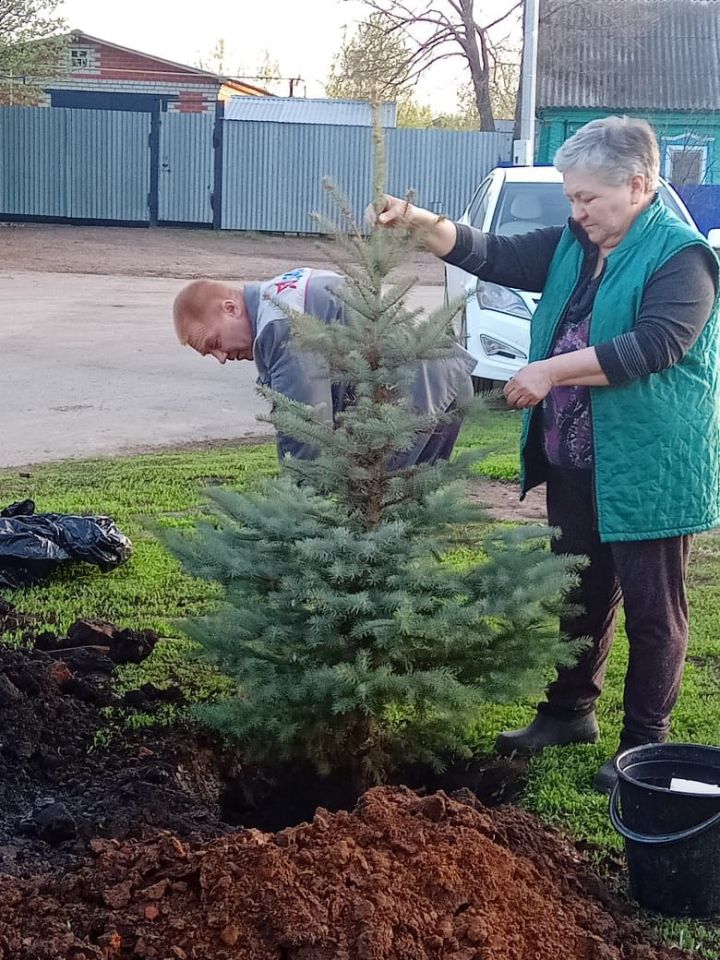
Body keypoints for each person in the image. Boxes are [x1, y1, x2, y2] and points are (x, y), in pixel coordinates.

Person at [371, 116, 720, 793]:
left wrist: (551, 371)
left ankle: (641, 753)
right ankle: (569, 713)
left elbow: (654, 348)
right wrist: (418, 222)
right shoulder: (575, 244)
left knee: (655, 613)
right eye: (571, 197)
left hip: (650, 465)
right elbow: (492, 253)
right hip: (577, 458)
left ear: (639, 185)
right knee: (579, 591)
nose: (576, 210)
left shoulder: (682, 259)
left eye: (588, 198)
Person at [172, 267, 475, 467]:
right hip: (443, 377)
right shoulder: (278, 295)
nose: (221, 358)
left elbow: (306, 426)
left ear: (230, 308)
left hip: (419, 393)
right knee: (398, 518)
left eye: (213, 342)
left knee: (377, 509)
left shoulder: (279, 324)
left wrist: (295, 513)